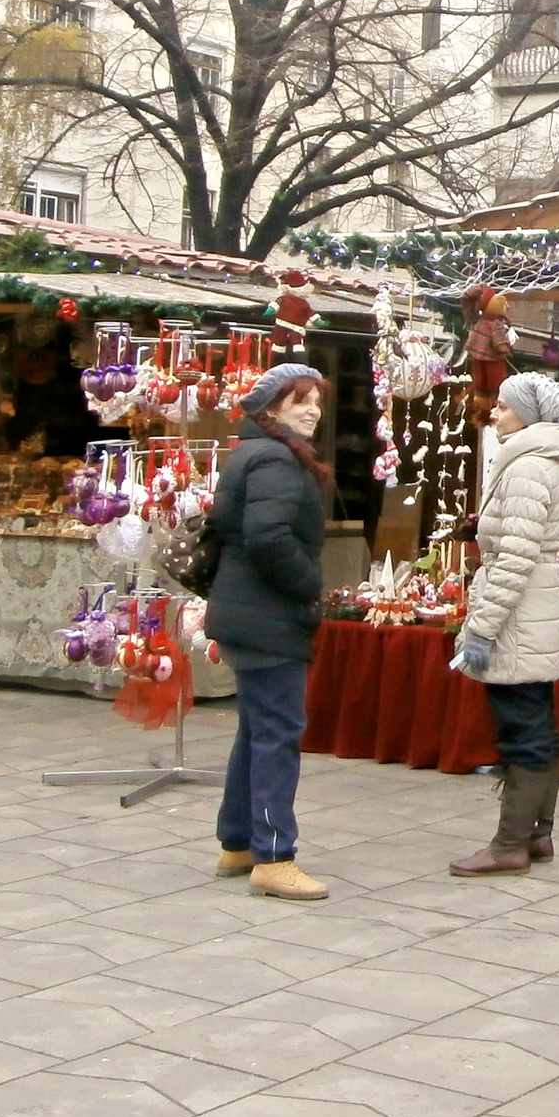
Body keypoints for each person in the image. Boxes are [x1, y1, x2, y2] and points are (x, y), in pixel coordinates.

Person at [206, 363, 331, 900]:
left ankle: (238, 842)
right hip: (267, 615)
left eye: (316, 401)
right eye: (297, 400)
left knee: (256, 729)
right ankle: (275, 856)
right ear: (270, 410)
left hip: (246, 611)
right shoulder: (276, 459)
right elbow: (268, 538)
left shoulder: (256, 451)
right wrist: (310, 588)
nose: (311, 410)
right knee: (278, 732)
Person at [449, 371, 559, 876]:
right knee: (535, 721)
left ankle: (509, 845)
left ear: (529, 414)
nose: (494, 414)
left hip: (519, 617)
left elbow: (514, 559)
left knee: (521, 726)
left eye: (503, 406)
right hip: (533, 611)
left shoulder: (527, 468)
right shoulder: (539, 461)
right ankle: (536, 834)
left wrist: (482, 626)